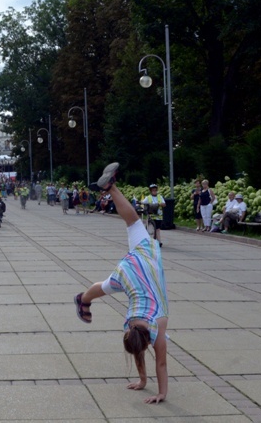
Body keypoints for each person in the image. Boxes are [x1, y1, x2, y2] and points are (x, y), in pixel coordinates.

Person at [76, 163, 169, 404]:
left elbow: (161, 362)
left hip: (146, 265)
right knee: (106, 286)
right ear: (129, 332)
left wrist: (159, 391)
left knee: (134, 223)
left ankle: (84, 299)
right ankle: (84, 299)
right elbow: (140, 350)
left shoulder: (157, 325)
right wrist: (149, 386)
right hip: (130, 275)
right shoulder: (131, 325)